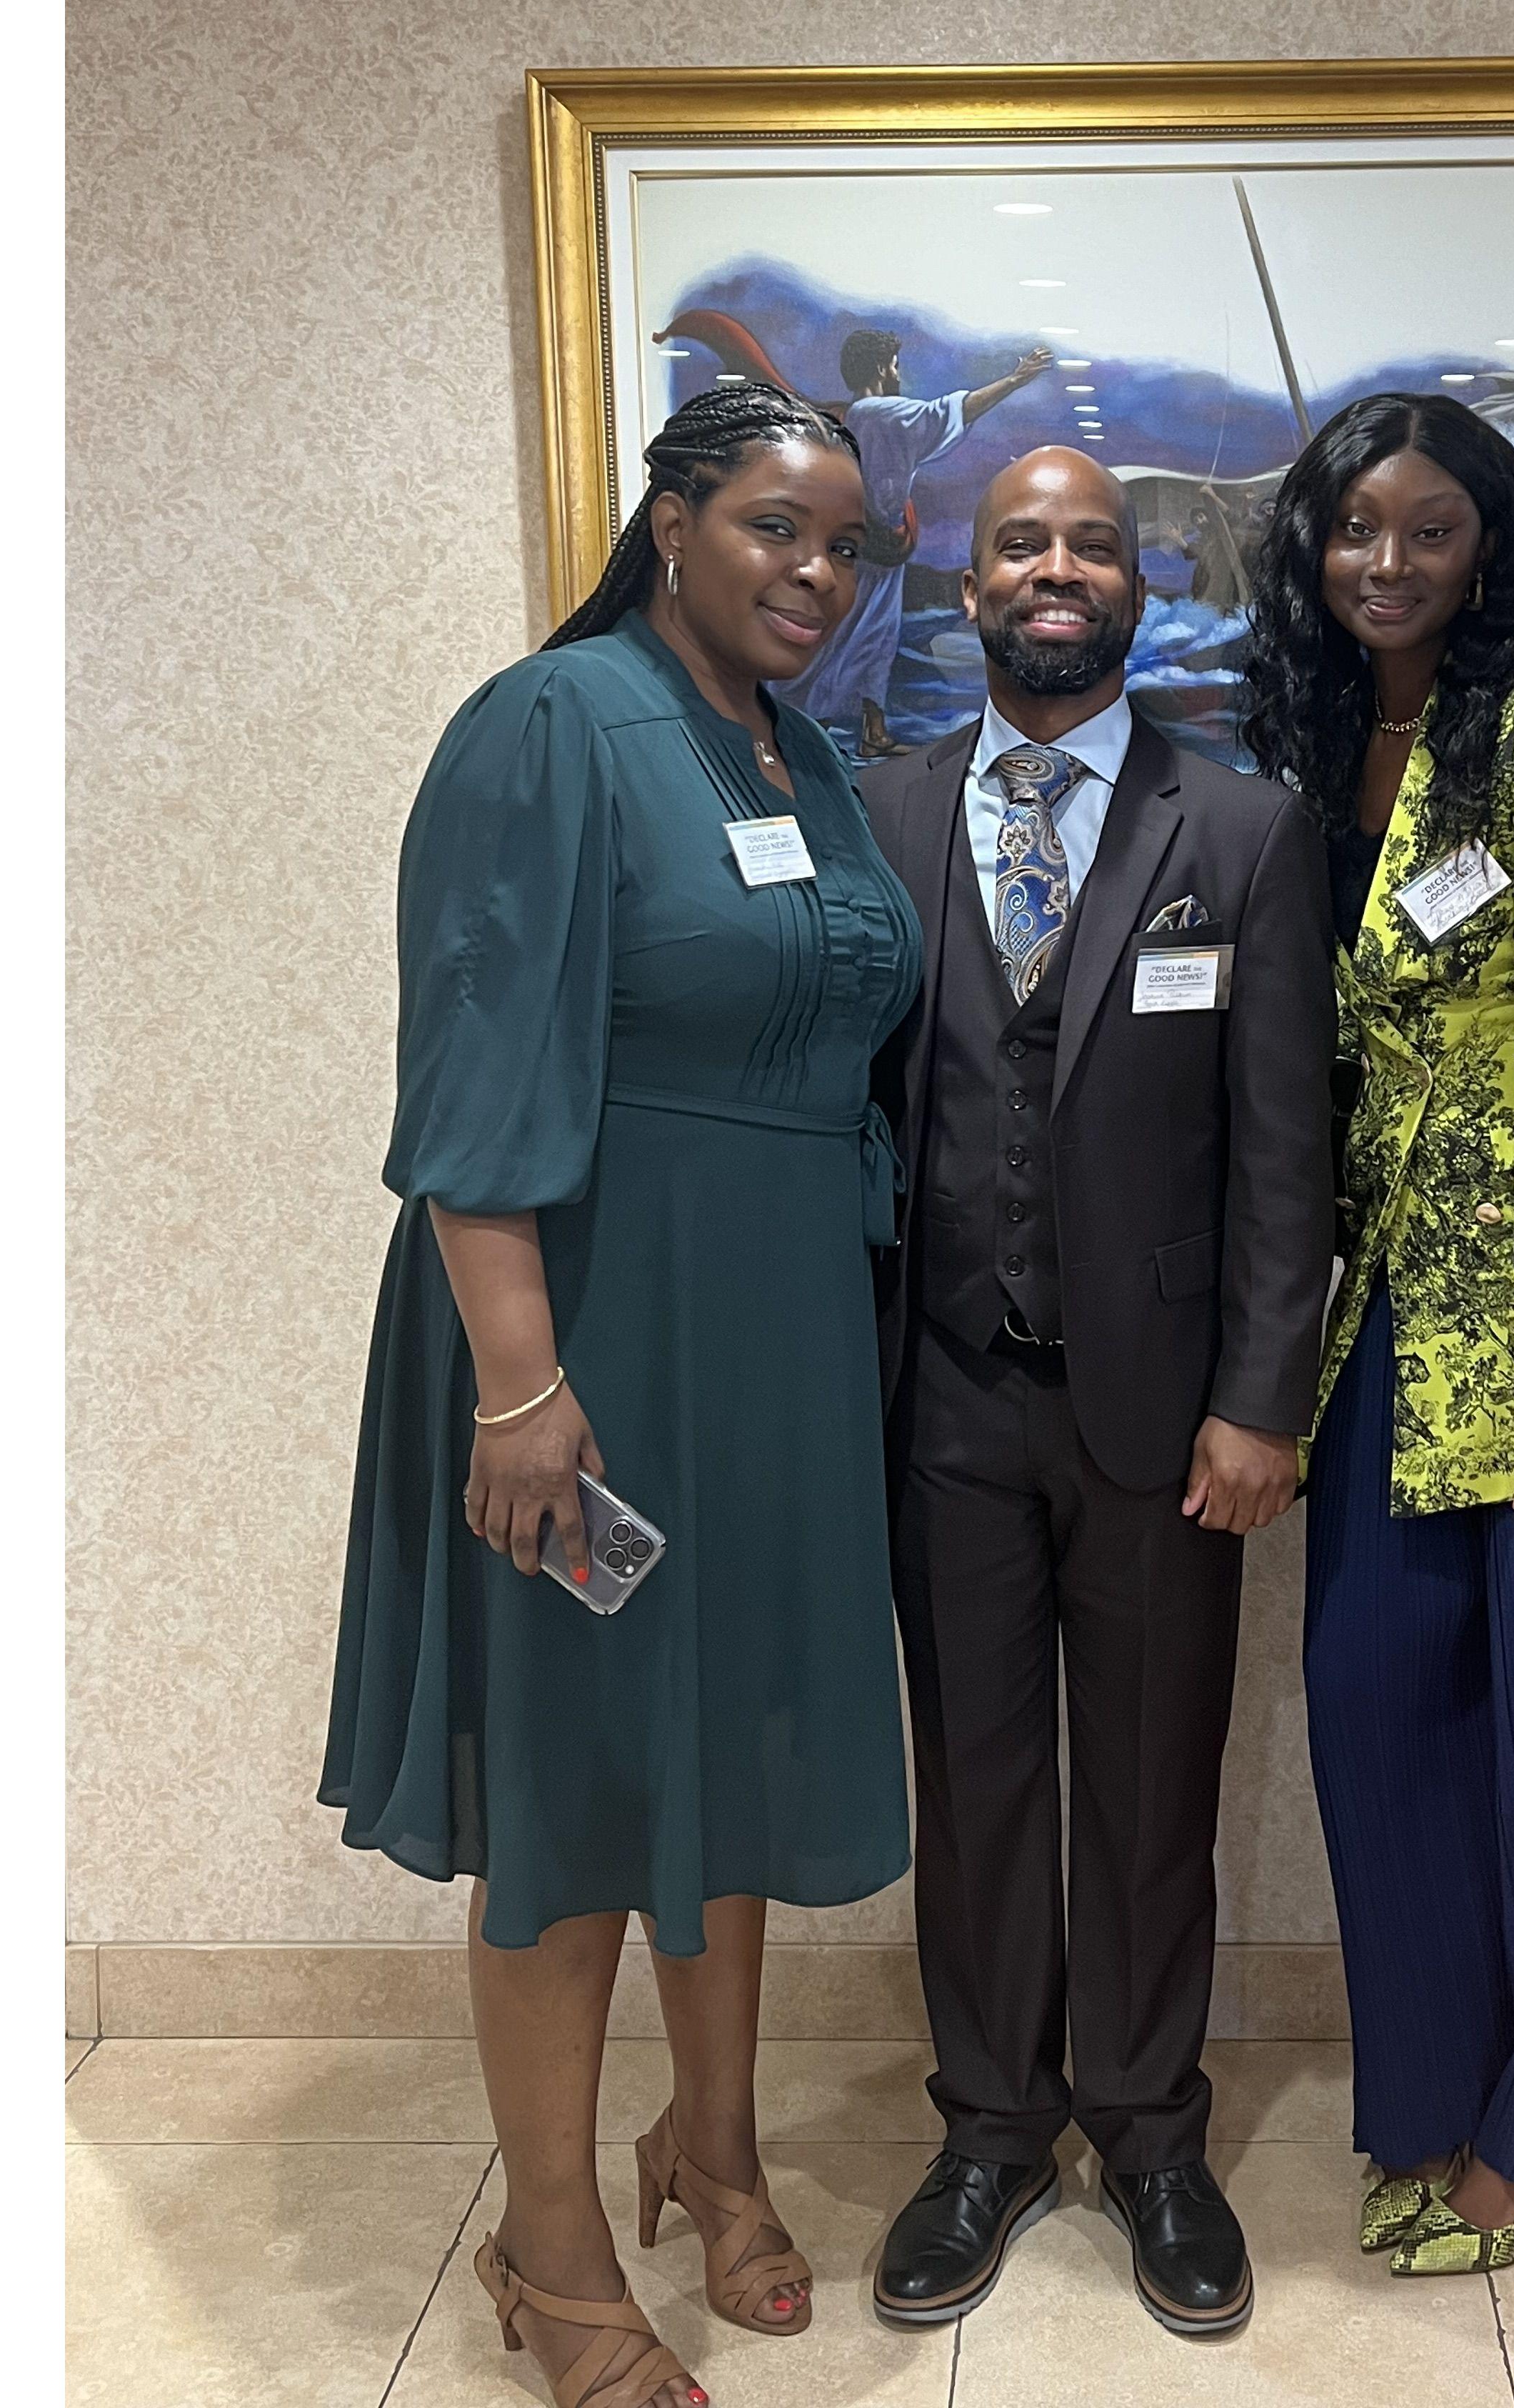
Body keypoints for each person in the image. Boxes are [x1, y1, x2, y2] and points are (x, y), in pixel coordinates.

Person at [321, 381, 926, 2408]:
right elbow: (472, 1076)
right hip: (585, 1340)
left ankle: (716, 2149)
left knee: (732, 1750)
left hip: (778, 1348)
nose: (818, 576)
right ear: (668, 520)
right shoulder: (554, 725)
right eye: (778, 527)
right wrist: (518, 1386)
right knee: (578, 1788)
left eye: (849, 545)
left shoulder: (800, 755)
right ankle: (554, 2248)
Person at [856, 444, 1335, 2340]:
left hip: (1166, 1416)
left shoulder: (1241, 830)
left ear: (1139, 585)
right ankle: (987, 2127)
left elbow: (1285, 1155)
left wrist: (1263, 1396)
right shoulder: (878, 816)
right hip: (945, 1403)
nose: (1055, 567)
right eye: (1019, 541)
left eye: (1090, 542)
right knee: (974, 1788)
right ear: (968, 583)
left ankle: (1147, 2134)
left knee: (1149, 1791)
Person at [1242, 391, 1514, 2281]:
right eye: (1352, 527)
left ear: (1491, 542)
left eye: (1426, 528)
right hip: (1381, 1332)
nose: (1385, 562)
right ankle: (1424, 2101)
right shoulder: (1313, 739)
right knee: (1382, 1729)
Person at [783, 328, 1058, 756]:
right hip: (875, 549)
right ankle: (817, 730)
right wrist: (1015, 380)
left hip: (874, 549)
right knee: (854, 640)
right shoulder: (882, 412)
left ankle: (870, 732)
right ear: (879, 367)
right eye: (894, 365)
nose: (897, 373)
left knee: (874, 637)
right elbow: (952, 412)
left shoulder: (860, 415)